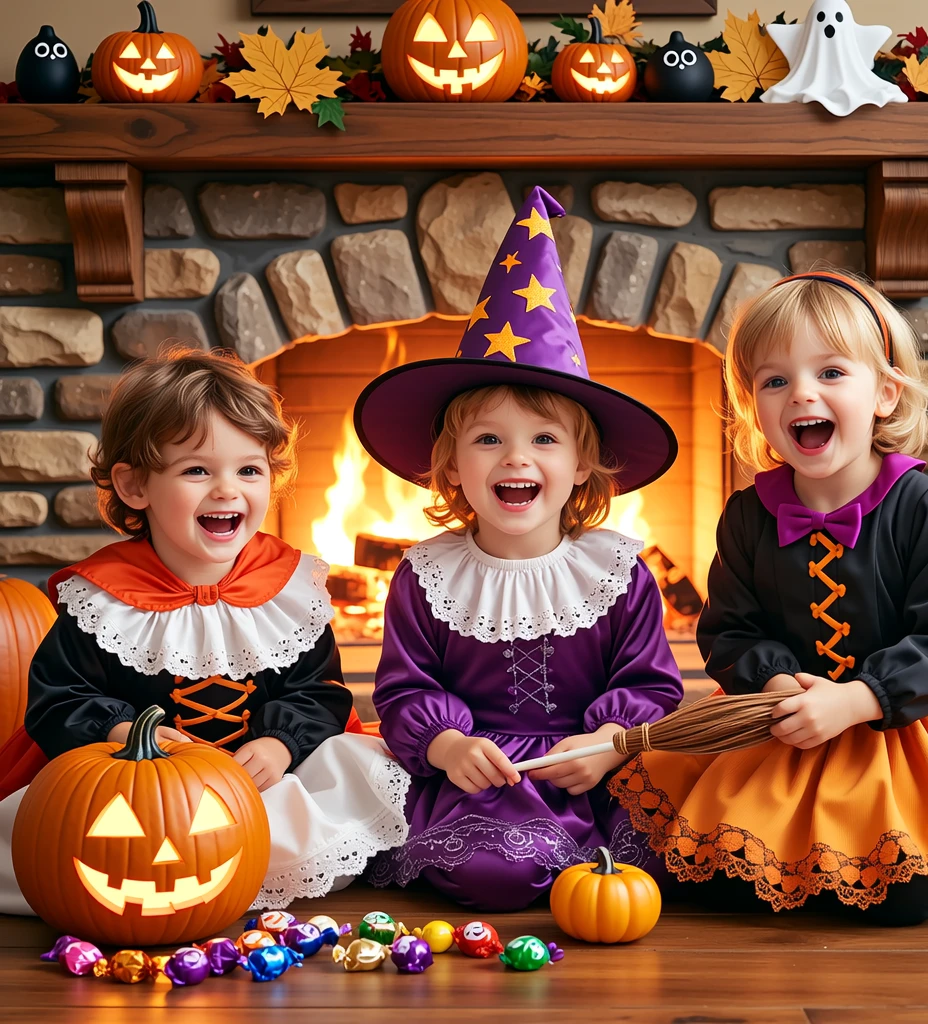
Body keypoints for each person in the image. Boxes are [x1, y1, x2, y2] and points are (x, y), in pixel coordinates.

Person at [610, 270, 928, 926]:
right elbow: (729, 629)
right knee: (713, 875)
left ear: (885, 393)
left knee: (903, 895)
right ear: (755, 408)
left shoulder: (927, 507)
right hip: (785, 719)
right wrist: (772, 680)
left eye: (831, 372)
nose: (801, 391)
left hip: (908, 719)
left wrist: (861, 698)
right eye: (775, 380)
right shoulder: (749, 516)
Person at [355, 187, 684, 911]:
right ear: (451, 466)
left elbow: (656, 685)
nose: (516, 459)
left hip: (594, 765)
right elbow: (404, 687)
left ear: (583, 463)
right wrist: (444, 746)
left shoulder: (618, 572)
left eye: (543, 439)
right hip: (486, 776)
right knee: (494, 874)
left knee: (694, 851)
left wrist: (607, 742)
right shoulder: (425, 575)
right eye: (488, 439)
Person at [0, 349, 409, 914]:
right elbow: (58, 700)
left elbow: (319, 693)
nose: (227, 489)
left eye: (249, 469)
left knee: (364, 768)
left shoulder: (286, 588)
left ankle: (271, 869)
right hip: (138, 798)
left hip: (260, 789)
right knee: (46, 842)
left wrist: (280, 743)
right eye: (197, 470)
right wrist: (124, 735)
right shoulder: (102, 599)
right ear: (135, 485)